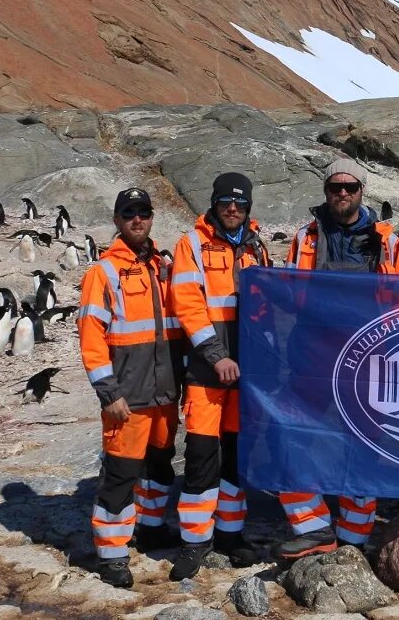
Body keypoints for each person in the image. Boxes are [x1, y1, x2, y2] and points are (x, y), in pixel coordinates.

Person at [274, 158, 399, 561]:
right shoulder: (306, 237)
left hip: (367, 361)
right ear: (326, 191)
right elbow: (291, 294)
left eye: (350, 186)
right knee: (289, 437)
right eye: (335, 187)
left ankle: (353, 538)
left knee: (363, 447)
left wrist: (379, 272)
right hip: (312, 356)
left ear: (363, 189)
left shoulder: (387, 241)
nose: (343, 193)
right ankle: (313, 526)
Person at [78, 188, 182, 589]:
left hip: (164, 393)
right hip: (128, 396)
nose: (137, 220)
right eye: (129, 214)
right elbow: (91, 338)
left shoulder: (163, 267)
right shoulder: (102, 273)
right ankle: (112, 553)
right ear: (117, 221)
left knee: (160, 465)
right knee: (121, 475)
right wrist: (109, 393)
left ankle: (152, 528)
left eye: (143, 212)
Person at [168, 173, 270, 580]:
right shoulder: (191, 244)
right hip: (207, 372)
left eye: (240, 203)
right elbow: (188, 304)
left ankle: (229, 534)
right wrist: (217, 355)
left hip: (245, 371)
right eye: (225, 202)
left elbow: (266, 305)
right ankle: (194, 542)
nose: (233, 209)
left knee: (235, 456)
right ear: (213, 203)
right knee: (201, 457)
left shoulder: (256, 247)